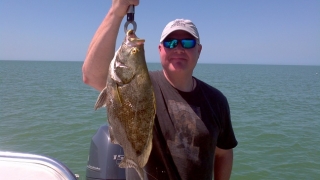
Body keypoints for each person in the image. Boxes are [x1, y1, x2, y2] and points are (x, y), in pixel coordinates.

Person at [82, 0, 238, 179]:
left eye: (187, 43)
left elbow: (223, 153)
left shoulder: (216, 100)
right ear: (160, 49)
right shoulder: (141, 85)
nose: (178, 48)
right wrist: (115, 13)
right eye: (170, 43)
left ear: (199, 50)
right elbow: (91, 76)